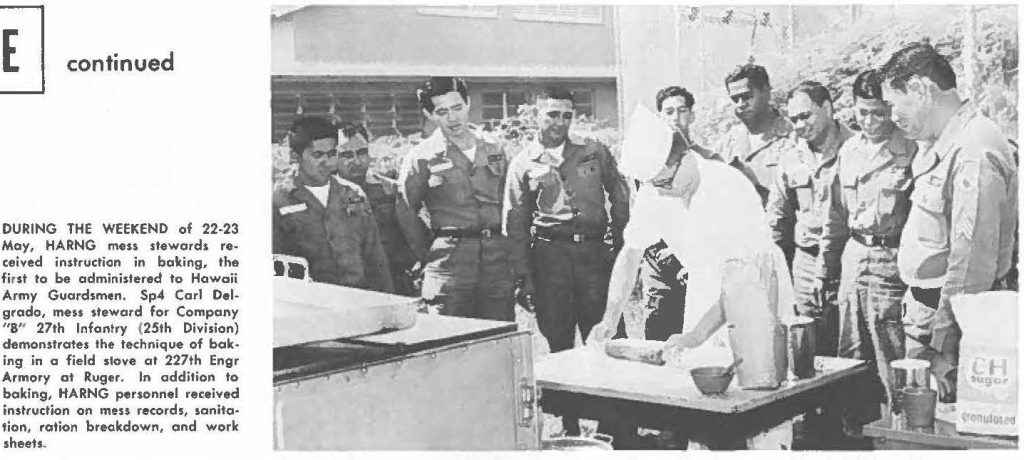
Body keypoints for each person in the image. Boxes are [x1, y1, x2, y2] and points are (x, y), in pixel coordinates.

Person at [880, 42, 1018, 401]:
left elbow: (970, 265)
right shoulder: (941, 142)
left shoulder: (973, 148)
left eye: (894, 103)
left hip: (950, 334)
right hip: (928, 319)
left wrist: (944, 349)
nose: (892, 116)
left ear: (921, 90)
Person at [817, 70, 919, 428]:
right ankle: (854, 435)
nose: (870, 121)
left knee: (891, 355)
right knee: (851, 354)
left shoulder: (911, 149)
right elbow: (835, 217)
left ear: (889, 109)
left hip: (891, 265)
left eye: (877, 112)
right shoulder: (849, 150)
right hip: (853, 262)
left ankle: (901, 434)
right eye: (862, 112)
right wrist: (824, 270)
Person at [504, 87, 630, 353]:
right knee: (559, 342)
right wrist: (523, 276)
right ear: (535, 115)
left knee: (607, 338)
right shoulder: (523, 163)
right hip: (551, 259)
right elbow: (515, 223)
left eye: (566, 115)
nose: (559, 123)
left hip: (594, 256)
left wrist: (620, 249)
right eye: (551, 115)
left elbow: (620, 198)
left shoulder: (594, 151)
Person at [395, 77, 516, 320]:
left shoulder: (494, 149)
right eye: (442, 111)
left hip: (496, 261)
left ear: (468, 104)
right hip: (449, 264)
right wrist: (430, 251)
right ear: (430, 115)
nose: (453, 118)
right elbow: (406, 211)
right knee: (450, 338)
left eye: (457, 108)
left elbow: (510, 203)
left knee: (499, 336)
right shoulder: (421, 157)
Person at [768, 81, 853, 358]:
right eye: (793, 119)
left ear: (827, 108)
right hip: (805, 264)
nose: (799, 125)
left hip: (846, 260)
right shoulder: (790, 158)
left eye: (806, 115)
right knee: (810, 350)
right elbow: (777, 221)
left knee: (851, 347)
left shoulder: (856, 149)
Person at [272, 116, 393, 293]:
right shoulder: (279, 201)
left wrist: (386, 300)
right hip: (311, 303)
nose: (326, 162)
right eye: (317, 155)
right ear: (295, 156)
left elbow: (375, 257)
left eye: (331, 154)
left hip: (359, 299)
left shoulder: (353, 193)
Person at [333, 121, 420, 296]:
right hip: (347, 286)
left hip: (394, 283)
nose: (356, 161)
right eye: (346, 155)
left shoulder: (389, 190)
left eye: (362, 152)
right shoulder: (324, 195)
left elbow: (415, 236)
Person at [715, 63, 795, 206]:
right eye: (735, 99)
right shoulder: (725, 145)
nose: (740, 104)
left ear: (766, 92)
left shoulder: (794, 137)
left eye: (747, 96)